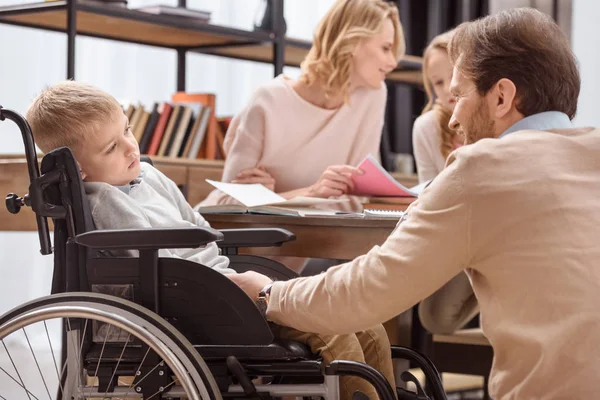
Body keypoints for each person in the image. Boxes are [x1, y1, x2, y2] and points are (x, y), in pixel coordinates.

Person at [230, 8, 600, 399]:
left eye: (458, 95)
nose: (452, 117)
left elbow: (367, 292)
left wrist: (270, 294)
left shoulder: (484, 168)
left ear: (502, 96)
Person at [26, 80, 397, 400]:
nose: (130, 147)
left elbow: (201, 229)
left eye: (127, 129)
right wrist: (229, 282)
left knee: (368, 325)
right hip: (189, 304)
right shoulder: (104, 202)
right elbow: (156, 266)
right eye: (111, 147)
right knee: (335, 334)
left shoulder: (150, 178)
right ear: (79, 169)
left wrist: (229, 276)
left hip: (222, 289)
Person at [200, 0, 403, 207]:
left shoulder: (372, 96)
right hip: (236, 233)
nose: (392, 62)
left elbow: (355, 197)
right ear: (351, 42)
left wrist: (274, 199)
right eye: (385, 48)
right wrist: (312, 192)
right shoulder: (268, 101)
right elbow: (226, 204)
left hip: (317, 232)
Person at [412, 29, 463, 183]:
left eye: (454, 75)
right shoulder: (425, 128)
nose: (448, 88)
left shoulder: (498, 119)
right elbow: (426, 193)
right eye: (438, 82)